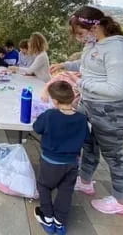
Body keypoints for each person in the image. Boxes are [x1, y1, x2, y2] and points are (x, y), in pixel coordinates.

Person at [50, 5, 123, 216]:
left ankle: (120, 200)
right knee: (88, 145)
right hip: (90, 106)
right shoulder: (95, 43)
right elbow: (87, 64)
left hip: (112, 113)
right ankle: (86, 181)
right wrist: (67, 65)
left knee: (113, 156)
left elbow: (116, 89)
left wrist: (81, 84)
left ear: (94, 27)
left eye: (80, 33)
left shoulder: (118, 49)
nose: (79, 38)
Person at [33, 81, 89, 235]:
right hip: (72, 163)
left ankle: (48, 218)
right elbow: (87, 138)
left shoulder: (50, 115)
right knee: (66, 191)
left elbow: (37, 128)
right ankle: (60, 222)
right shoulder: (81, 118)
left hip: (51, 161)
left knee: (44, 186)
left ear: (55, 101)